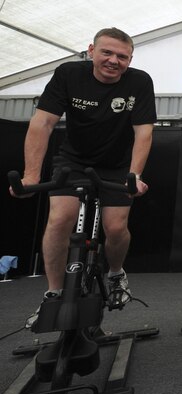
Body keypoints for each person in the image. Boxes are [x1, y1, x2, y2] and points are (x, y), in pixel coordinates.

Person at [10, 28, 155, 327]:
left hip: (117, 165)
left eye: (122, 56)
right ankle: (53, 293)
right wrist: (31, 175)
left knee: (115, 227)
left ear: (130, 59)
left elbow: (143, 132)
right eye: (107, 52)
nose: (113, 60)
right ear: (91, 51)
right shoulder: (69, 74)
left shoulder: (139, 81)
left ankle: (115, 273)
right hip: (74, 160)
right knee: (59, 219)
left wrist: (135, 175)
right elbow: (43, 123)